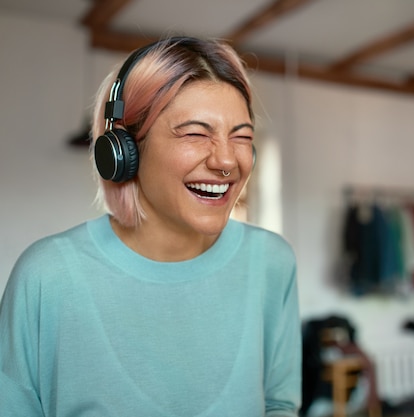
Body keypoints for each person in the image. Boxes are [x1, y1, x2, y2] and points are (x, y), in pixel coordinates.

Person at [0, 36, 301, 416]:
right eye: (195, 133)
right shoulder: (47, 276)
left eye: (241, 137)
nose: (227, 160)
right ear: (125, 149)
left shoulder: (272, 263)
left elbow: (279, 405)